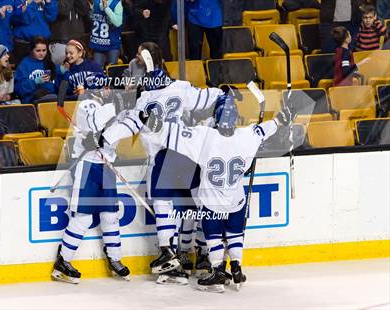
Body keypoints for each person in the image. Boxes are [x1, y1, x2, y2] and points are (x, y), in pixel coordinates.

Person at [146, 93, 293, 292]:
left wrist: (155, 124)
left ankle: (217, 271)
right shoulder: (248, 136)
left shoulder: (205, 137)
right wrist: (280, 120)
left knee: (213, 234)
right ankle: (237, 267)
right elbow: (264, 130)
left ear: (216, 116)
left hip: (212, 202)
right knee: (234, 233)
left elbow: (177, 135)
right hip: (236, 200)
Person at [103, 42, 223, 284]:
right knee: (196, 205)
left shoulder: (145, 98)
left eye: (138, 55)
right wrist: (224, 98)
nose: (135, 60)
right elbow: (211, 96)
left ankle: (170, 259)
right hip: (187, 153)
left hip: (163, 156)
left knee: (163, 205)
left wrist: (106, 139)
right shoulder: (180, 87)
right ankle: (204, 258)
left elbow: (131, 124)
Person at [52, 96, 130, 284]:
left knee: (110, 216)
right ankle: (63, 262)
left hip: (107, 165)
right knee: (83, 217)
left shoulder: (124, 109)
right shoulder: (88, 104)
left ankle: (114, 258)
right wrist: (92, 137)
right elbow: (90, 124)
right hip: (87, 165)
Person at [11, 0, 58, 65]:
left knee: (44, 73)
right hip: (23, 44)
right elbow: (24, 19)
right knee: (23, 73)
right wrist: (34, 3)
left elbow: (52, 17)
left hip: (42, 44)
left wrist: (48, 3)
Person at [14, 37, 57, 104]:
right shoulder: (24, 64)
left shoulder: (49, 62)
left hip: (50, 98)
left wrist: (62, 70)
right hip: (31, 101)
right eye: (38, 51)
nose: (41, 53)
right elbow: (18, 89)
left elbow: (54, 84)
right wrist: (35, 81)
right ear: (31, 50)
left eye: (44, 50)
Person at [48, 0, 91, 65]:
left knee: (78, 71)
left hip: (78, 39)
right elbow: (63, 10)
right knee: (61, 71)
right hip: (60, 40)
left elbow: (85, 9)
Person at [90, 0, 123, 68]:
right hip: (98, 43)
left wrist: (106, 8)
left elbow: (118, 22)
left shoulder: (116, 3)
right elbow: (91, 17)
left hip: (112, 44)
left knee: (112, 71)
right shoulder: (96, 2)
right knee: (98, 72)